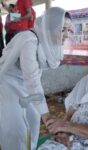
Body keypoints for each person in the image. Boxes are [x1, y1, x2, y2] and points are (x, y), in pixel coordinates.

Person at [0, 7, 72, 150]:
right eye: (62, 29)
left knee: (33, 119)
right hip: (8, 83)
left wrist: (43, 115)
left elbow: (33, 78)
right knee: (17, 127)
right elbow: (32, 79)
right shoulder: (29, 40)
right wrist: (47, 117)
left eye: (68, 30)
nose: (66, 35)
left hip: (26, 84)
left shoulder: (44, 40)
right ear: (51, 27)